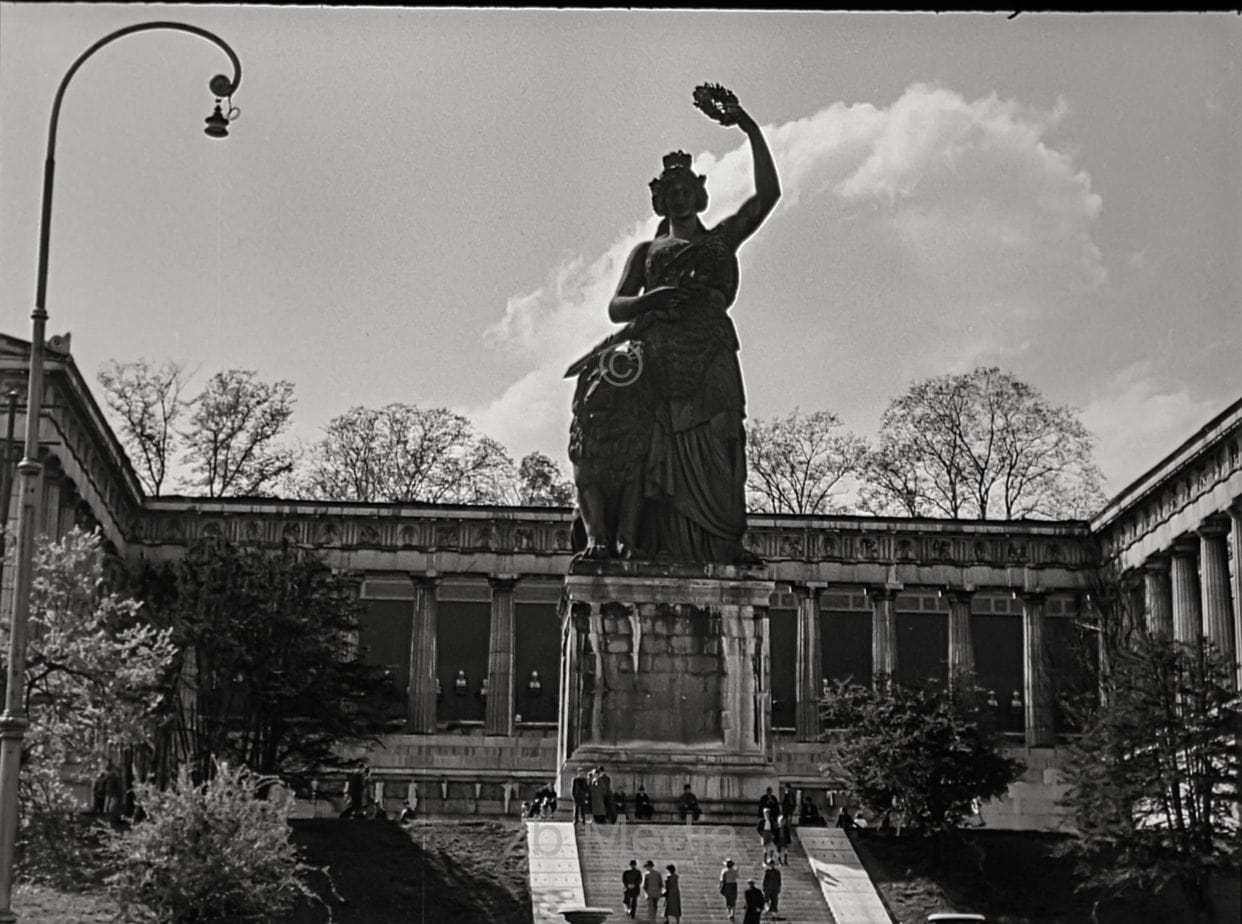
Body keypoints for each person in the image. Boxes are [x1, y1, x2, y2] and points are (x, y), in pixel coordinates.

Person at [566, 86, 781, 564]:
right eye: (671, 194)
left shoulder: (723, 238)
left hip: (712, 352)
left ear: (700, 195)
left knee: (722, 437)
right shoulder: (645, 252)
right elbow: (617, 306)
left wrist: (748, 128)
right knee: (656, 448)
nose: (680, 199)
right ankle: (650, 542)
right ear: (660, 202)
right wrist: (653, 300)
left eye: (688, 191)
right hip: (660, 354)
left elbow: (768, 195)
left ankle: (723, 541)